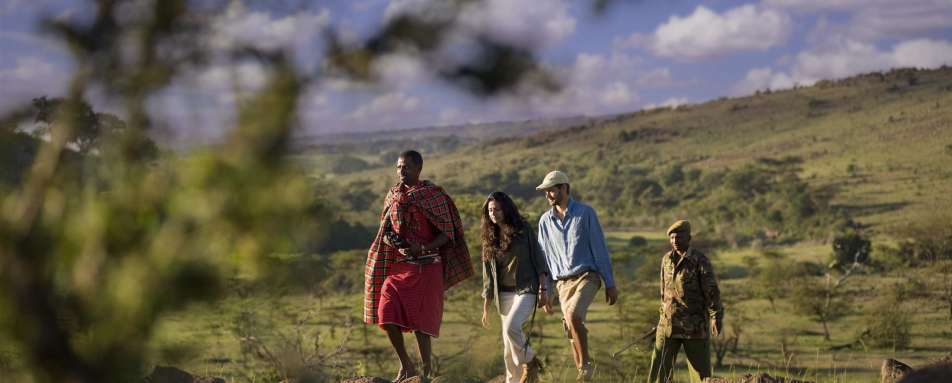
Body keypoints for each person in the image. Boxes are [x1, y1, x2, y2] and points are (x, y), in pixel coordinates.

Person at [363, 150, 473, 382]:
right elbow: (385, 230)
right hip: (401, 266)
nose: (401, 171)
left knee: (421, 325)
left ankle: (426, 372)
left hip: (428, 266)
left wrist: (423, 248)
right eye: (399, 167)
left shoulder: (433, 196)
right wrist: (395, 242)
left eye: (407, 167)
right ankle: (406, 365)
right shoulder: (393, 195)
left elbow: (448, 233)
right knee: (386, 313)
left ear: (419, 169)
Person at [535, 170, 619, 381]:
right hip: (562, 283)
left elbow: (599, 249)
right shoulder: (544, 221)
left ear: (564, 188)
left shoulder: (585, 213)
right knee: (569, 329)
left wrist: (609, 283)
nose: (547, 195)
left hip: (587, 276)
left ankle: (585, 366)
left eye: (551, 190)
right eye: (545, 191)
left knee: (573, 316)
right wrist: (546, 290)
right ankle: (583, 376)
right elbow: (544, 259)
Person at [480, 191, 552, 383]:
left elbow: (538, 258)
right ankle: (513, 380)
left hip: (526, 289)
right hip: (503, 293)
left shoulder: (523, 229)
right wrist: (486, 306)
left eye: (497, 209)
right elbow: (488, 275)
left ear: (506, 209)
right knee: (508, 347)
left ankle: (531, 361)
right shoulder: (489, 237)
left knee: (512, 327)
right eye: (490, 210)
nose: (493, 213)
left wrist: (543, 289)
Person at [647, 220, 724, 383]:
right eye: (672, 237)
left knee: (701, 376)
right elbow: (663, 293)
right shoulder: (666, 260)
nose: (675, 240)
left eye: (679, 237)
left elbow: (711, 291)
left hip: (694, 326)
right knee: (659, 373)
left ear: (689, 238)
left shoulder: (699, 260)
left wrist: (715, 316)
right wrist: (661, 320)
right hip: (668, 325)